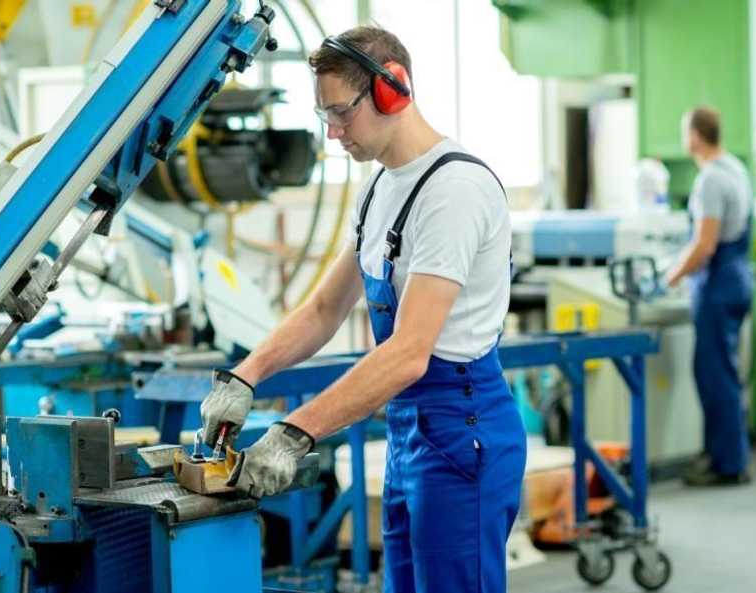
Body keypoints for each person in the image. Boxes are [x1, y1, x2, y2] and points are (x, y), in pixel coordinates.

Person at [199, 26, 527, 592]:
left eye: (341, 114)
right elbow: (327, 307)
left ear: (391, 90)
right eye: (323, 116)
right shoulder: (378, 188)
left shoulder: (453, 192)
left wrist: (295, 431)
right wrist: (245, 375)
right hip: (409, 431)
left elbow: (406, 354)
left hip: (461, 430)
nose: (332, 134)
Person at [665, 106, 753, 487]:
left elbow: (704, 245)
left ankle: (726, 464)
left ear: (695, 136)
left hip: (718, 286)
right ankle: (730, 456)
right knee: (725, 372)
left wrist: (671, 276)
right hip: (738, 278)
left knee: (714, 376)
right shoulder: (736, 168)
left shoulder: (711, 181)